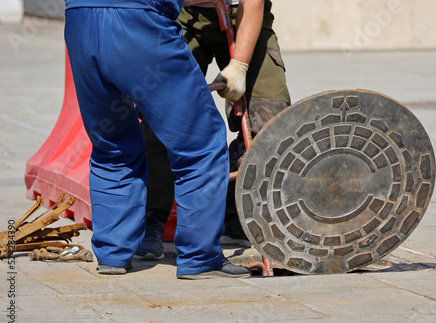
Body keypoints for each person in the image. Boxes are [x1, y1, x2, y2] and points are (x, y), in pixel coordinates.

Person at [64, 0, 251, 279]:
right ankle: (200, 258)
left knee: (112, 145)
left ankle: (112, 254)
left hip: (80, 20)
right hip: (138, 21)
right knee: (200, 142)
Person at [135, 0, 291, 260]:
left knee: (270, 120)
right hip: (182, 17)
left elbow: (252, 3)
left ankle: (240, 218)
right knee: (162, 115)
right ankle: (149, 222)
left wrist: (240, 66)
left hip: (242, 17)